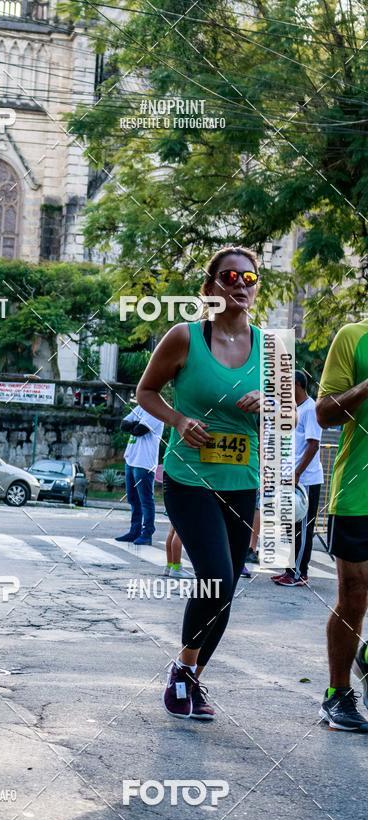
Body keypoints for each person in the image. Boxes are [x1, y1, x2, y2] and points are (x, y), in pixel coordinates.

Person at [137, 246, 261, 720]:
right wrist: (179, 419)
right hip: (190, 477)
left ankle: (190, 677)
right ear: (210, 287)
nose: (241, 285)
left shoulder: (272, 348)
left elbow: (291, 415)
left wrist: (269, 405)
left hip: (240, 479)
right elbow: (145, 392)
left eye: (250, 279)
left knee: (225, 588)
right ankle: (184, 670)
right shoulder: (184, 337)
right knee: (217, 576)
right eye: (230, 276)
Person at [315, 320, 368, 732]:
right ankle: (337, 694)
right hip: (358, 491)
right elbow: (325, 412)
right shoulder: (352, 336)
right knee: (354, 595)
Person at [272, 370, 323, 587]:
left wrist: (297, 473)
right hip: (291, 477)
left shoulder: (310, 409)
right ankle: (290, 570)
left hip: (306, 480)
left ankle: (300, 573)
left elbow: (313, 444)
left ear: (298, 386)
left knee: (302, 528)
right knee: (290, 526)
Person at [115, 405, 164, 546]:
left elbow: (139, 431)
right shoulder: (140, 408)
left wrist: (134, 424)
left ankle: (147, 533)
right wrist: (135, 424)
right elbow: (123, 425)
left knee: (146, 500)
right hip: (131, 459)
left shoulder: (156, 411)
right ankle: (134, 531)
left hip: (144, 462)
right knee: (132, 498)